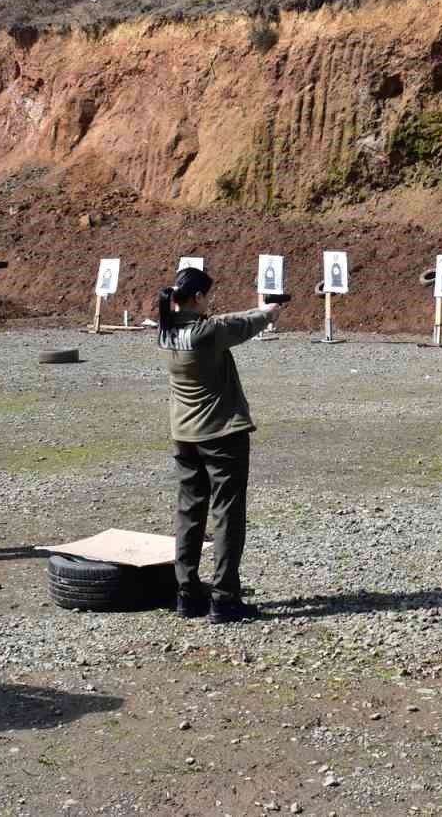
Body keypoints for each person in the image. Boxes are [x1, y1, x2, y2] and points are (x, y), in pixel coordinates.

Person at [158, 267, 281, 624]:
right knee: (227, 515)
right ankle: (225, 598)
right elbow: (243, 326)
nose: (209, 301)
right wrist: (269, 311)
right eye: (206, 296)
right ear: (197, 297)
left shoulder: (166, 332)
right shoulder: (207, 333)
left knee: (189, 513)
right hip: (221, 435)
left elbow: (225, 320)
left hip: (184, 436)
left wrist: (256, 311)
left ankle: (186, 592)